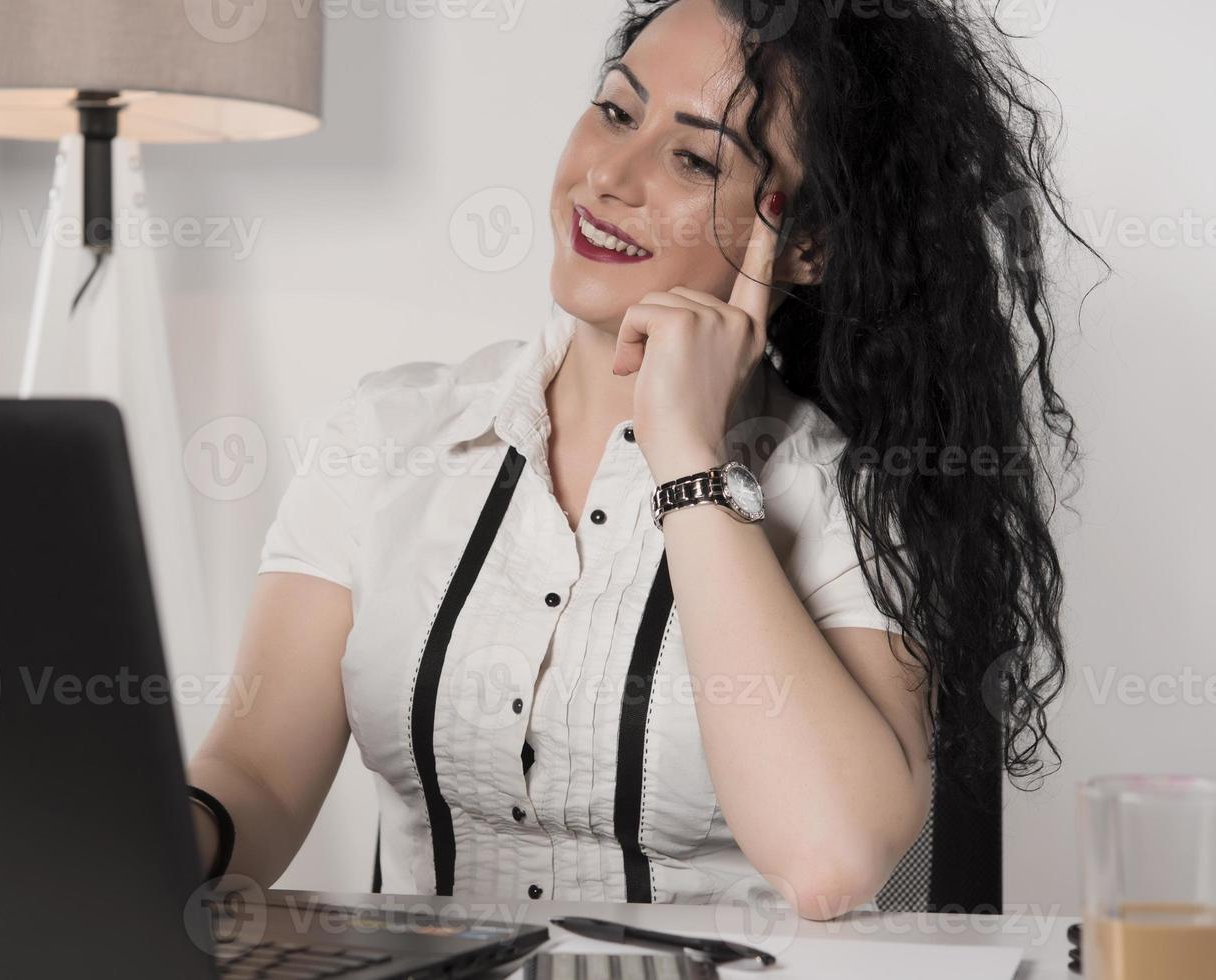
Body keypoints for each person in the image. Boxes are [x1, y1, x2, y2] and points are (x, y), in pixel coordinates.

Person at [186, 0, 1089, 920]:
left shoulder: (845, 493)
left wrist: (688, 462)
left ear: (806, 243)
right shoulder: (388, 435)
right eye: (617, 112)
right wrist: (148, 833)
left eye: (694, 158)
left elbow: (830, 860)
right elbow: (256, 777)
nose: (609, 176)